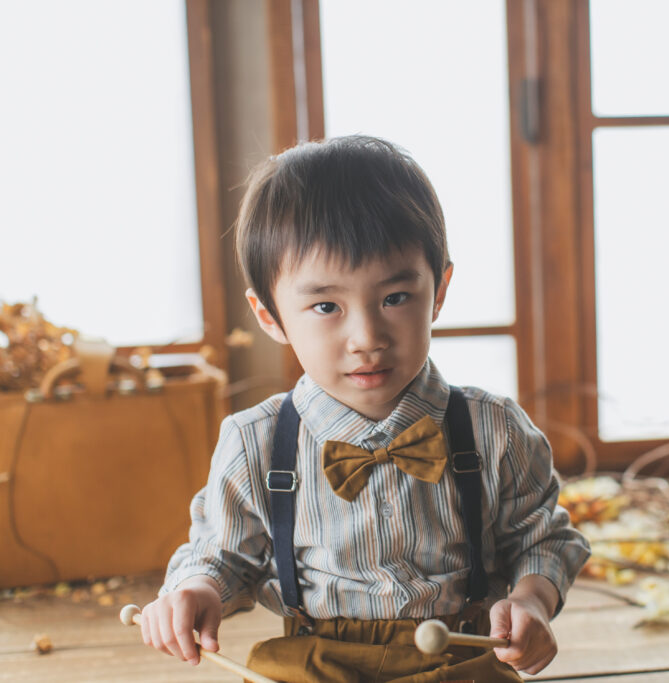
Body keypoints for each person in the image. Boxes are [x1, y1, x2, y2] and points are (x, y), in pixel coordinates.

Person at [138, 135, 590, 682]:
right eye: (326, 305)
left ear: (439, 289)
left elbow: (541, 536)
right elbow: (222, 553)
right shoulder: (254, 441)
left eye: (395, 298)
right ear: (270, 315)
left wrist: (533, 601)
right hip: (315, 661)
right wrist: (194, 590)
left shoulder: (492, 429)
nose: (366, 336)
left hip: (459, 654)